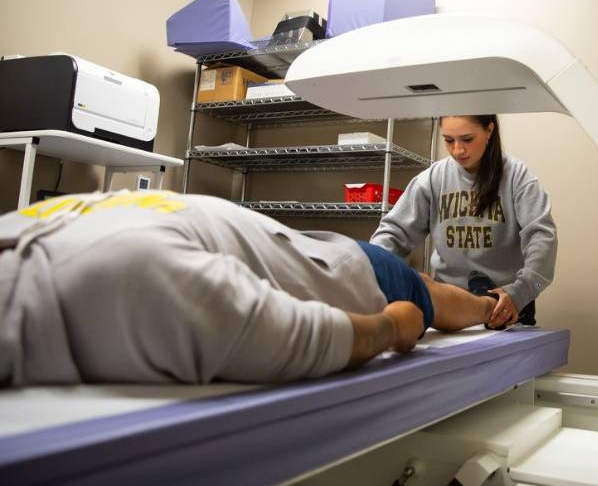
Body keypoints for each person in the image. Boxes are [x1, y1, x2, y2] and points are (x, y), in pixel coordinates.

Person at [0, 190, 498, 387]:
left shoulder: (132, 277)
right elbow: (305, 334)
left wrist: (398, 324)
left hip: (338, 265)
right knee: (423, 286)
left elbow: (311, 337)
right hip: (311, 256)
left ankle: (492, 305)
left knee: (430, 298)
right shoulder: (17, 231)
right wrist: (395, 322)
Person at [371, 115, 557, 329]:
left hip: (505, 306)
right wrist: (374, 274)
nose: (458, 150)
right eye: (449, 140)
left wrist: (521, 291)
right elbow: (393, 233)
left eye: (467, 139)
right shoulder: (432, 178)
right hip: (449, 304)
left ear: (489, 131)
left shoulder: (518, 177)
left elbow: (542, 238)